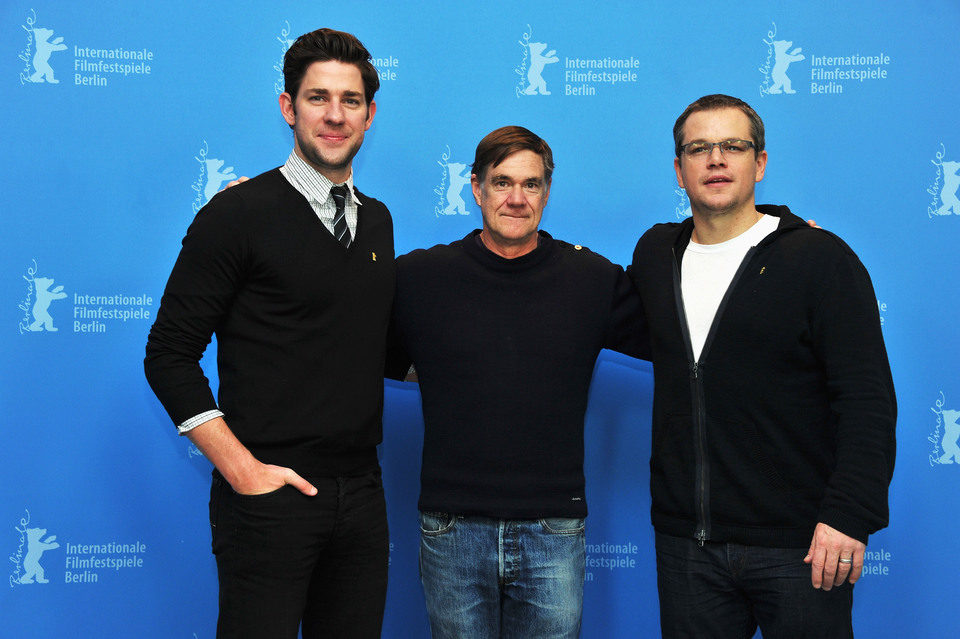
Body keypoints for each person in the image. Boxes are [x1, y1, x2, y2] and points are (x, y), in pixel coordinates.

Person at [144, 28, 394, 639]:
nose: (335, 115)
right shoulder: (235, 214)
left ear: (369, 114)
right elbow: (169, 355)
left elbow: (367, 346)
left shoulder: (378, 220)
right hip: (267, 499)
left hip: (362, 498)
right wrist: (244, 472)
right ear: (288, 107)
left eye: (350, 100)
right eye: (317, 98)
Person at [628, 94, 896, 638]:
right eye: (699, 149)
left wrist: (849, 516)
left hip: (801, 546)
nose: (717, 159)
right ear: (679, 170)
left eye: (733, 146)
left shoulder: (819, 259)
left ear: (761, 162)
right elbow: (580, 304)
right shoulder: (656, 254)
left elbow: (867, 399)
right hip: (688, 549)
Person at [386, 125, 648, 638]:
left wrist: (758, 243)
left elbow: (682, 326)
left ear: (547, 193)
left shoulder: (591, 278)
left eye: (531, 185)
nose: (516, 198)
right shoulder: (420, 276)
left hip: (554, 526)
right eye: (502, 182)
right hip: (451, 525)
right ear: (476, 187)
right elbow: (353, 343)